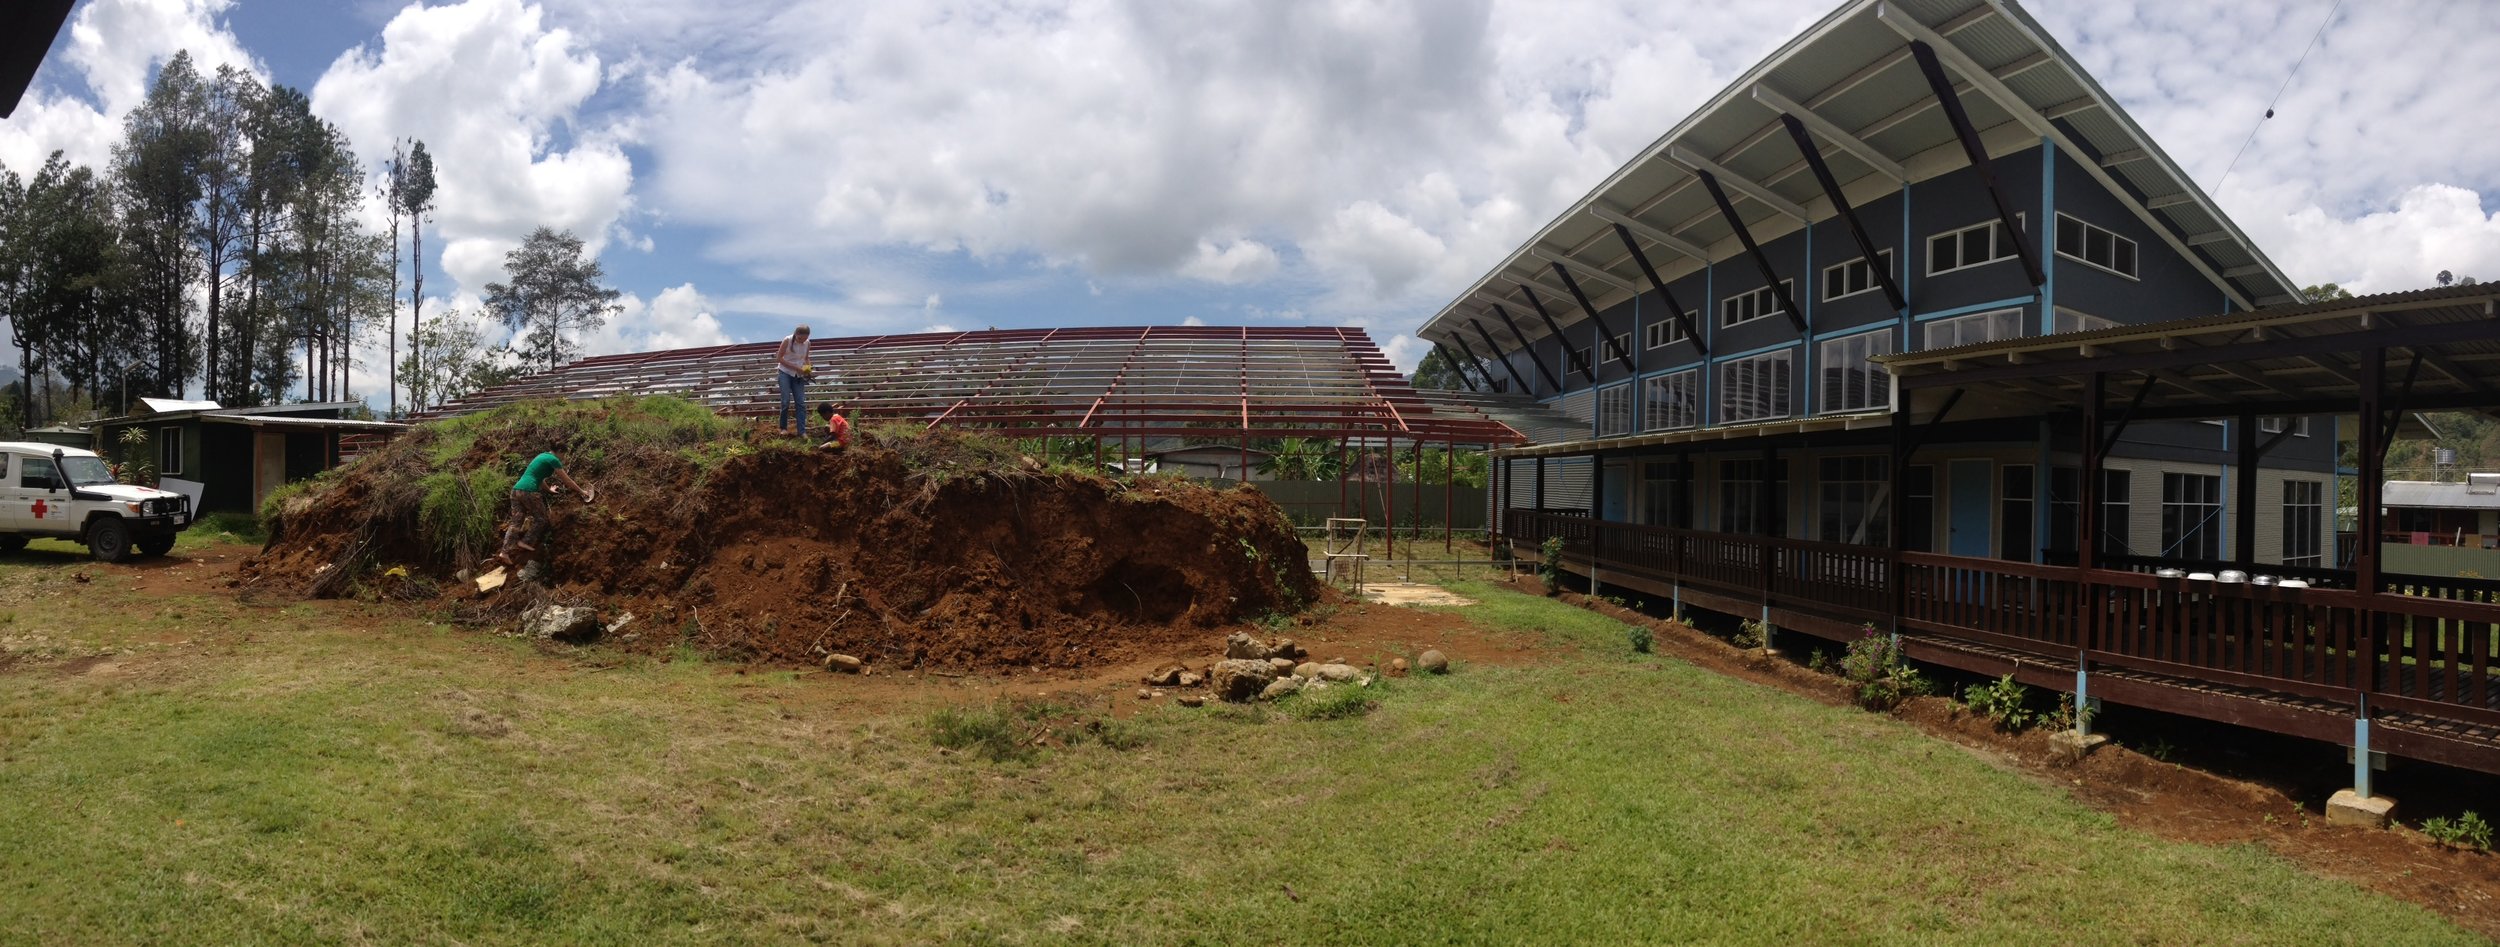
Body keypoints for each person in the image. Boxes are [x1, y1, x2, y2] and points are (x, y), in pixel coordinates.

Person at [482, 448, 595, 572]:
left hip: (516, 490)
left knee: (516, 522)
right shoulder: (554, 460)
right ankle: (526, 541)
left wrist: (549, 490)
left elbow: (539, 478)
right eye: (564, 453)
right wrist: (582, 491)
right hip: (529, 492)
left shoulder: (542, 456)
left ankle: (504, 552)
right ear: (560, 451)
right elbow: (566, 480)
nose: (564, 456)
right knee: (541, 519)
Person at [775, 324, 812, 437]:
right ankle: (783, 428)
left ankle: (802, 431)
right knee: (785, 401)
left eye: (805, 339)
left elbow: (806, 358)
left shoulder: (807, 343)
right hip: (785, 373)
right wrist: (796, 368)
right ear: (796, 334)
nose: (802, 341)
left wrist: (808, 369)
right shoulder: (787, 340)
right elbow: (779, 358)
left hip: (798, 376)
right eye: (800, 338)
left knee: (800, 403)